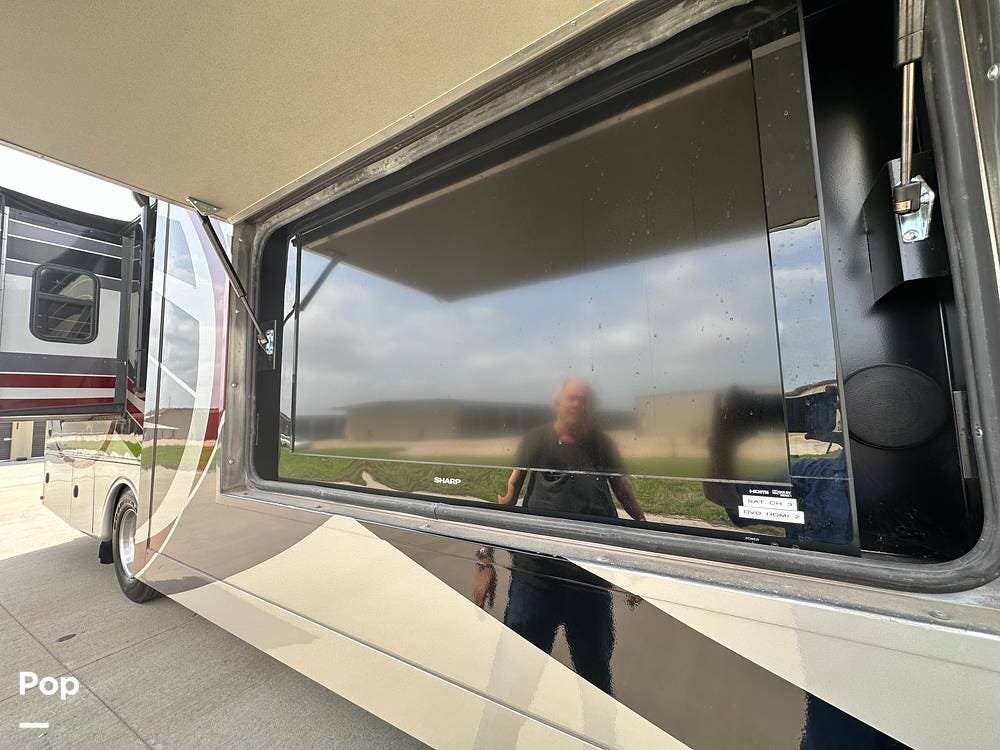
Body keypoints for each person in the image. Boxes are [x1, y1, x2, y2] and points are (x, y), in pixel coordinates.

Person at [472, 378, 644, 695]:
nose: (577, 405)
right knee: (514, 677)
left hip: (591, 580)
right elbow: (508, 496)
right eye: (571, 398)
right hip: (535, 578)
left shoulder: (602, 444)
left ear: (591, 407)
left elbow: (623, 491)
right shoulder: (536, 440)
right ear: (558, 404)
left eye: (583, 400)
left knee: (596, 681)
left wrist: (641, 559)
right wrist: (485, 559)